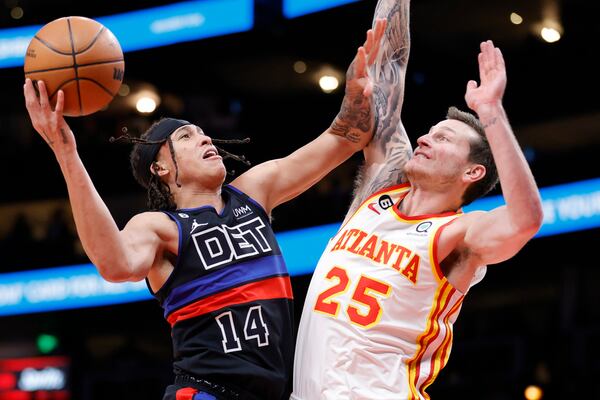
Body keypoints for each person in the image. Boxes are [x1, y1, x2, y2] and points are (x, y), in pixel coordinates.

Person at [22, 20, 388, 400]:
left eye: (202, 132)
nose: (205, 137)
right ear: (160, 168)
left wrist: (360, 88)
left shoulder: (253, 193)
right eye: (186, 136)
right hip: (204, 392)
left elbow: (346, 137)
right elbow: (115, 265)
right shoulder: (159, 227)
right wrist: (66, 153)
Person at [291, 0, 544, 399]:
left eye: (443, 138)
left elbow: (525, 220)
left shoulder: (460, 233)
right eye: (430, 132)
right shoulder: (380, 193)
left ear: (472, 172)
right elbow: (387, 66)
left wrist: (491, 112)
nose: (424, 138)